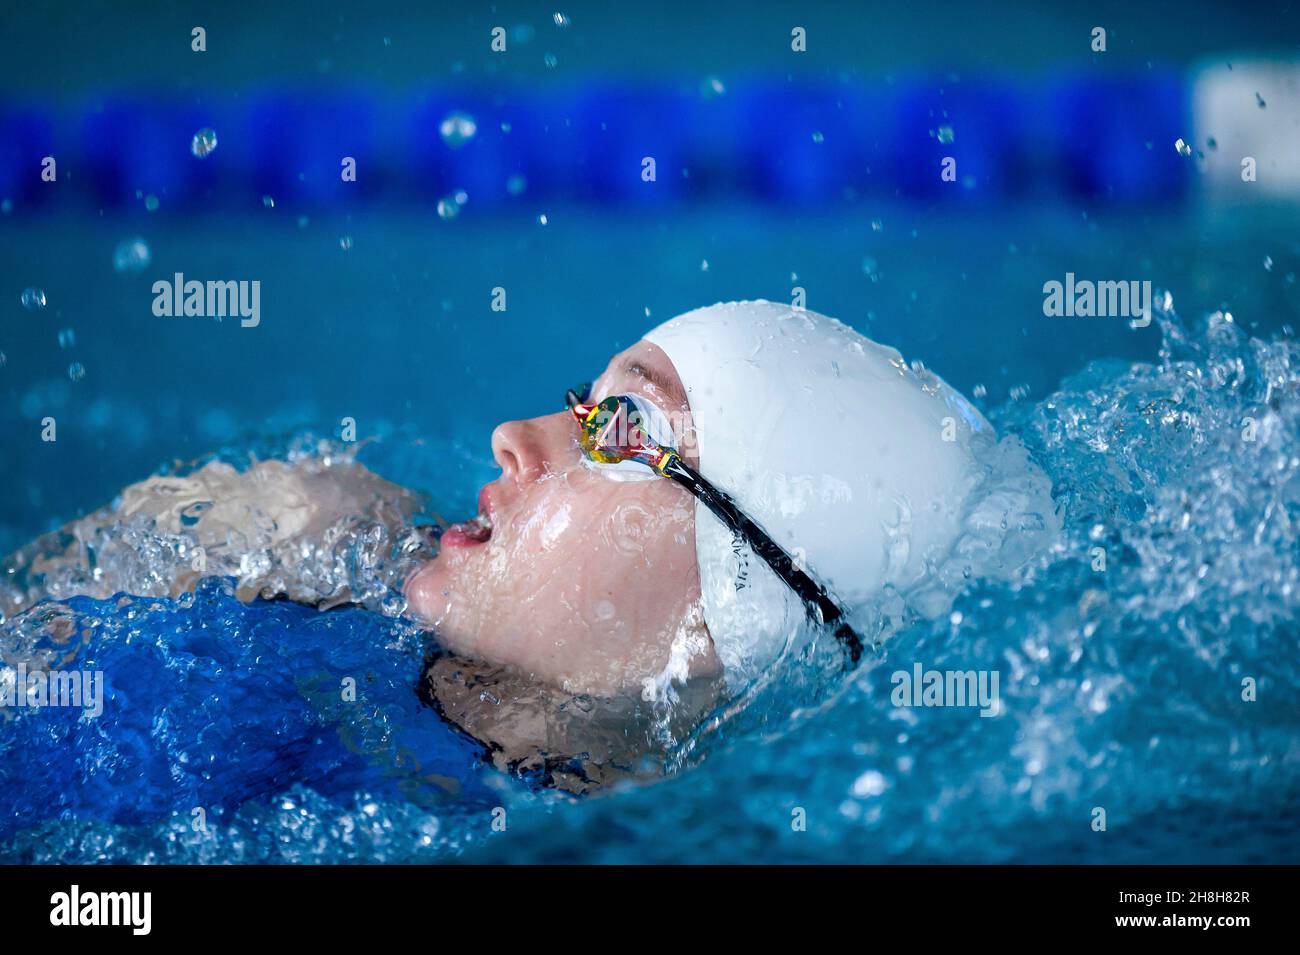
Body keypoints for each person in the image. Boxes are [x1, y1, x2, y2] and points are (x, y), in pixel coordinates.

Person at [4, 301, 1037, 789]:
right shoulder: (306, 545)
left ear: (718, 623)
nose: (516, 436)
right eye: (583, 403)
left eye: (622, 430)